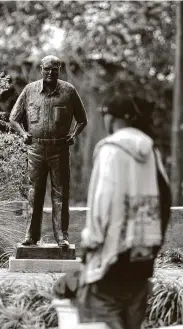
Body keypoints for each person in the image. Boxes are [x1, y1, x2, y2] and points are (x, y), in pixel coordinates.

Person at [77, 96, 171, 329]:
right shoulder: (151, 151)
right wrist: (153, 246)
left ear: (113, 117)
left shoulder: (110, 150)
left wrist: (91, 242)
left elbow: (102, 202)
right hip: (142, 259)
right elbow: (165, 199)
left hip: (111, 260)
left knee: (99, 319)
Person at [10, 55, 87, 247]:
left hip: (59, 149)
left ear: (59, 69)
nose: (50, 72)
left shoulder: (69, 91)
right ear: (41, 69)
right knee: (34, 193)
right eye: (47, 69)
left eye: (55, 69)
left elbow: (82, 119)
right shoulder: (30, 91)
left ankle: (62, 236)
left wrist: (74, 134)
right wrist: (23, 133)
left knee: (60, 193)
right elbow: (14, 117)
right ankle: (30, 235)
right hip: (35, 149)